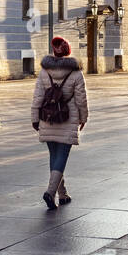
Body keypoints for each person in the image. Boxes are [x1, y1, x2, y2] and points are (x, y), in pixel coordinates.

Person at [31, 36, 88, 210]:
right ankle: (50, 192)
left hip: (47, 117)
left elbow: (38, 97)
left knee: (54, 156)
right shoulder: (76, 73)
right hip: (67, 118)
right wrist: (83, 117)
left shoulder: (44, 72)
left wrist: (35, 117)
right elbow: (81, 99)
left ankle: (62, 194)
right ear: (68, 51)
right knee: (61, 156)